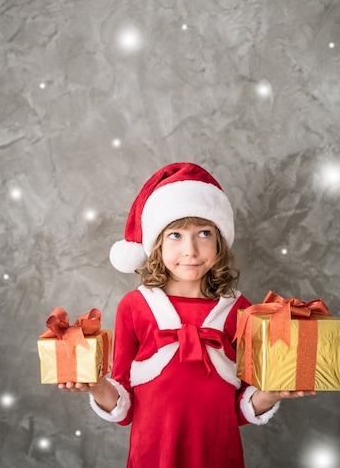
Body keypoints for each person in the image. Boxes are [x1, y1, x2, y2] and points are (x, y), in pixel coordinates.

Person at [59, 162, 315, 468]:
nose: (191, 250)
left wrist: (271, 394)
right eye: (175, 235)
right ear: (156, 245)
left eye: (204, 233)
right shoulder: (134, 306)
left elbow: (241, 409)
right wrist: (97, 386)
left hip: (218, 456)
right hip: (153, 456)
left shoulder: (241, 308)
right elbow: (124, 409)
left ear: (220, 241)